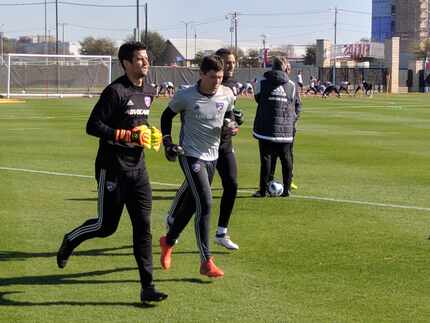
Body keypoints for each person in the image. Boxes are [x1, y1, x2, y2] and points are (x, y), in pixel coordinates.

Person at [56, 41, 167, 304]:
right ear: (126, 64)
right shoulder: (115, 91)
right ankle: (70, 239)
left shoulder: (150, 90)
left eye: (146, 58)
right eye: (139, 59)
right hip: (112, 169)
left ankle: (147, 287)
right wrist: (124, 134)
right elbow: (93, 126)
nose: (145, 63)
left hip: (138, 170)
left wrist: (150, 134)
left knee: (143, 228)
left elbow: (139, 121)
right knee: (106, 227)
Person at [159, 55, 237, 277]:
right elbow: (166, 116)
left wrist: (231, 125)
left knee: (192, 205)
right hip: (190, 154)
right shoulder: (186, 96)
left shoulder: (227, 94)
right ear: (201, 75)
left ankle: (168, 240)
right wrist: (168, 142)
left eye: (220, 77)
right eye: (212, 77)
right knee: (205, 201)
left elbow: (229, 114)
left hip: (213, 155)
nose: (216, 82)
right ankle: (206, 261)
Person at [252, 56, 301, 197]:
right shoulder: (291, 85)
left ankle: (262, 190)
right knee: (286, 159)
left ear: (271, 67)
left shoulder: (262, 81)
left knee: (266, 159)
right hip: (285, 128)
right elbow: (292, 102)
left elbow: (257, 98)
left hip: (265, 127)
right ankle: (287, 190)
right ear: (285, 67)